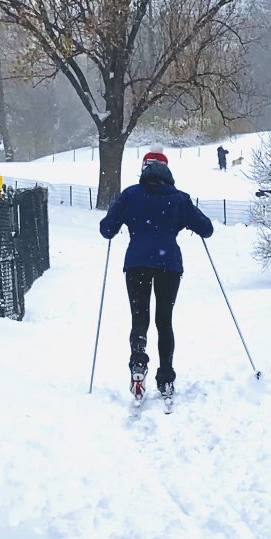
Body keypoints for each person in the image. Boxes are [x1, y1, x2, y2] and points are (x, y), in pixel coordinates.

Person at [99, 147, 213, 401]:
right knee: (164, 320)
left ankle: (138, 363)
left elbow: (107, 229)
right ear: (168, 171)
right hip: (168, 265)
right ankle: (166, 377)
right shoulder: (179, 198)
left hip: (137, 262)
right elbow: (206, 229)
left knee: (139, 317)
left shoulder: (130, 195)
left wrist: (119, 216)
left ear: (144, 170)